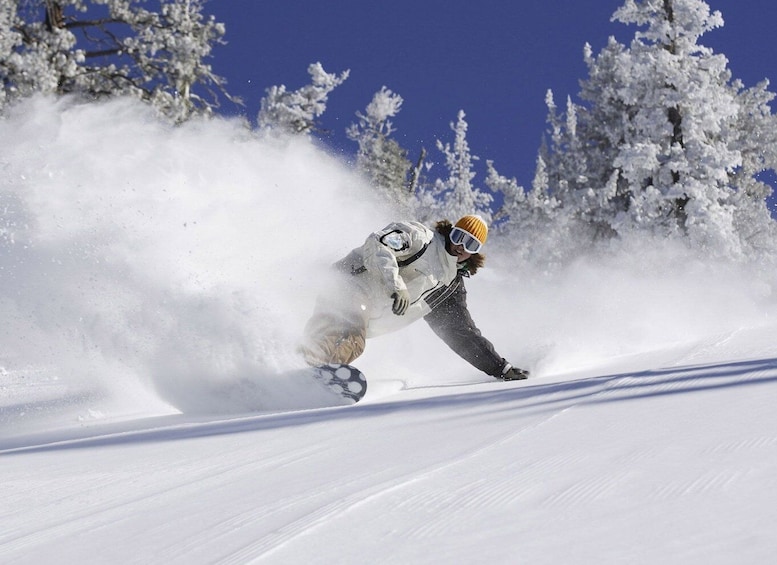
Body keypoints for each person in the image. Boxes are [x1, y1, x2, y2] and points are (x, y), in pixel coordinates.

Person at [300, 215, 529, 381]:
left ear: (475, 252)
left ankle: (292, 369)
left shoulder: (448, 289)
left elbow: (462, 334)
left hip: (365, 316)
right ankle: (311, 366)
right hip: (349, 283)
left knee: (348, 339)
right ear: (451, 231)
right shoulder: (421, 238)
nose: (460, 246)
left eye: (470, 244)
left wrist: (500, 368)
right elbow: (378, 246)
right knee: (349, 333)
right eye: (459, 236)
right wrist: (396, 285)